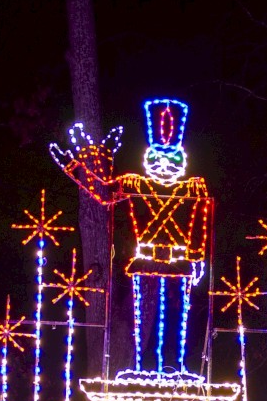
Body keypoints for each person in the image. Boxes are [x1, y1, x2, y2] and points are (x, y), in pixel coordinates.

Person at [51, 99, 212, 380]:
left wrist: (197, 257)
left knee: (176, 317)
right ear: (149, 156)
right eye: (156, 158)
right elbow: (102, 192)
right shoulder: (134, 183)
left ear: (180, 158)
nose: (163, 166)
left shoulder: (193, 188)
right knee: (145, 314)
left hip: (179, 261)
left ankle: (176, 368)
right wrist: (76, 167)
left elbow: (200, 222)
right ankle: (144, 368)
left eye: (171, 158)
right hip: (146, 258)